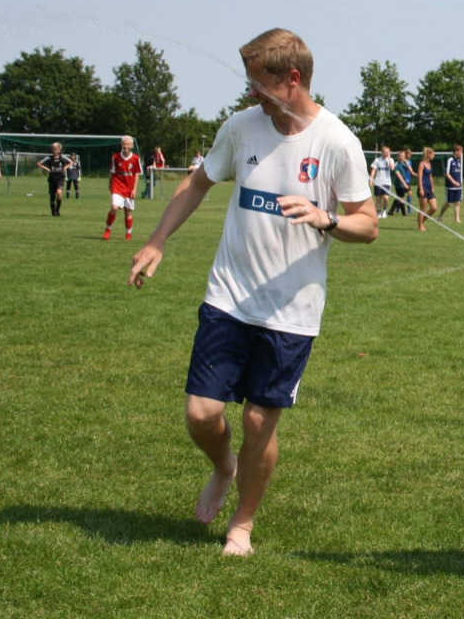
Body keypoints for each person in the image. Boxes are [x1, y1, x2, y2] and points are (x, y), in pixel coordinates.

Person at [128, 28, 378, 557]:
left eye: (259, 84)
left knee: (259, 422)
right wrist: (157, 240)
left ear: (293, 79)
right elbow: (197, 183)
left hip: (291, 311)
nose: (250, 94)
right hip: (229, 297)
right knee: (201, 414)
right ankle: (224, 466)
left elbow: (368, 224)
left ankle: (241, 524)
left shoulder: (338, 142)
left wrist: (326, 218)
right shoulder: (241, 128)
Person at [104, 136, 142, 240]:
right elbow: (112, 172)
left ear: (132, 146)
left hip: (129, 188)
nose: (125, 146)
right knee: (114, 207)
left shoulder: (136, 159)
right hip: (117, 186)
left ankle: (128, 234)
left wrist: (134, 189)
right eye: (124, 144)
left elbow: (137, 174)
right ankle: (108, 229)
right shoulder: (115, 157)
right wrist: (110, 184)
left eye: (128, 144)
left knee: (128, 211)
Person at [36, 142, 71, 216]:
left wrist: (65, 168)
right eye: (54, 149)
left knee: (59, 192)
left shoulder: (62, 157)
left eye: (56, 149)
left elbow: (71, 162)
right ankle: (53, 211)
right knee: (52, 196)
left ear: (59, 150)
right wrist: (47, 169)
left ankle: (57, 210)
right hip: (52, 178)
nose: (55, 151)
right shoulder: (49, 158)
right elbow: (38, 164)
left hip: (60, 177)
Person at [437, 144, 463, 223]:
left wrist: (459, 182)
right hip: (450, 186)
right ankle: (440, 215)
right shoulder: (450, 160)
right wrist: (453, 182)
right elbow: (447, 173)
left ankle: (457, 219)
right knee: (449, 203)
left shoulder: (459, 161)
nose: (461, 153)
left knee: (458, 202)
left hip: (458, 186)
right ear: (456, 152)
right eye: (460, 151)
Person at [416, 147, 437, 232]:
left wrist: (432, 187)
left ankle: (421, 221)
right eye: (432, 154)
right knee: (423, 208)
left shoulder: (429, 164)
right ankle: (420, 225)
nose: (434, 155)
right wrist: (421, 189)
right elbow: (420, 177)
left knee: (434, 208)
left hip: (429, 188)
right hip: (423, 187)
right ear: (428, 154)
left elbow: (430, 176)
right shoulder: (421, 164)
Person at [370, 145, 394, 218]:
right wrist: (371, 180)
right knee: (378, 198)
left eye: (387, 152)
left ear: (389, 153)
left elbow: (392, 168)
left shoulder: (390, 160)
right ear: (382, 152)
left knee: (386, 198)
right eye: (384, 152)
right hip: (378, 182)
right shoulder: (377, 160)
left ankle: (384, 210)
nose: (385, 154)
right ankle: (378, 212)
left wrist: (389, 158)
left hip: (387, 182)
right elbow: (373, 170)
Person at [391, 148, 413, 217]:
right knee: (401, 197)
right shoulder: (397, 164)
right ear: (398, 157)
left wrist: (407, 163)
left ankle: (392, 211)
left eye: (403, 156)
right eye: (400, 156)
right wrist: (404, 183)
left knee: (401, 197)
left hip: (404, 183)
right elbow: (398, 175)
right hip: (399, 183)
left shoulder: (405, 163)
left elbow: (410, 170)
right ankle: (403, 212)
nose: (402, 157)